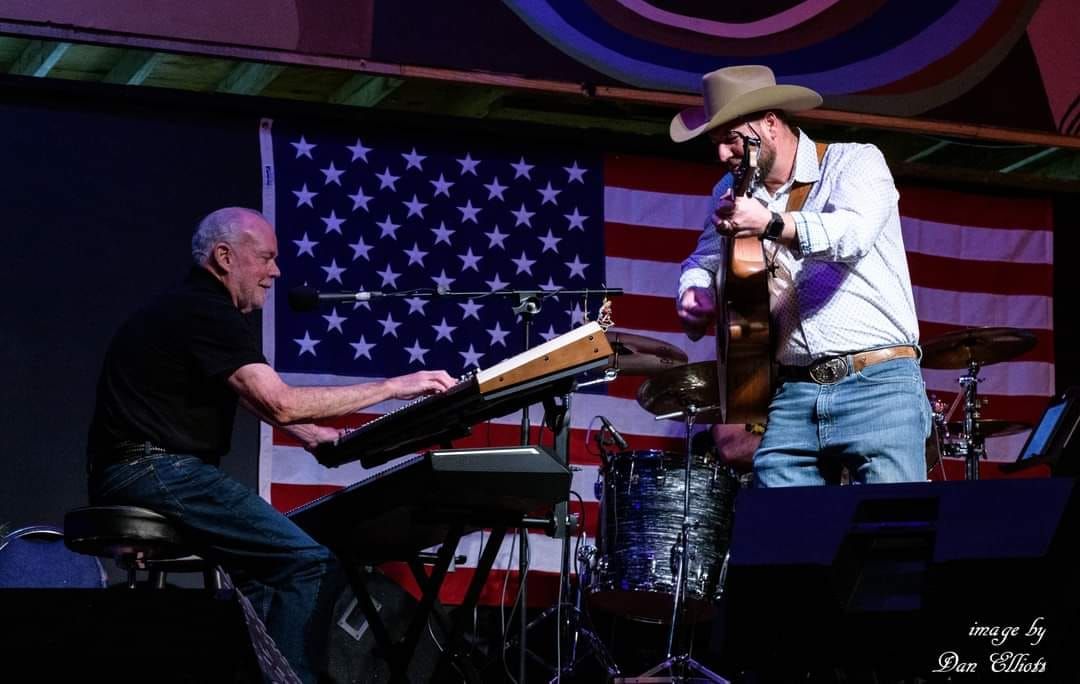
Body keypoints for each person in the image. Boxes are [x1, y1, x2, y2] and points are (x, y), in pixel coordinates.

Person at [86, 207, 456, 682]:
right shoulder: (206, 311)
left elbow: (243, 395)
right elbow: (278, 403)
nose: (275, 272)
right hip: (153, 469)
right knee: (304, 565)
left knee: (263, 573)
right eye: (266, 258)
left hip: (137, 470)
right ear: (224, 256)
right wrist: (393, 387)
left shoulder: (185, 309)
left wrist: (316, 438)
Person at [673, 65, 930, 487]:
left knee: (894, 534)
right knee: (785, 536)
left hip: (878, 383)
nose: (722, 155)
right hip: (795, 391)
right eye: (715, 144)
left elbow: (853, 234)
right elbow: (701, 261)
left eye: (731, 140)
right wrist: (694, 293)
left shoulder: (855, 161)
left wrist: (772, 223)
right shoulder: (731, 191)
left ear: (770, 124)